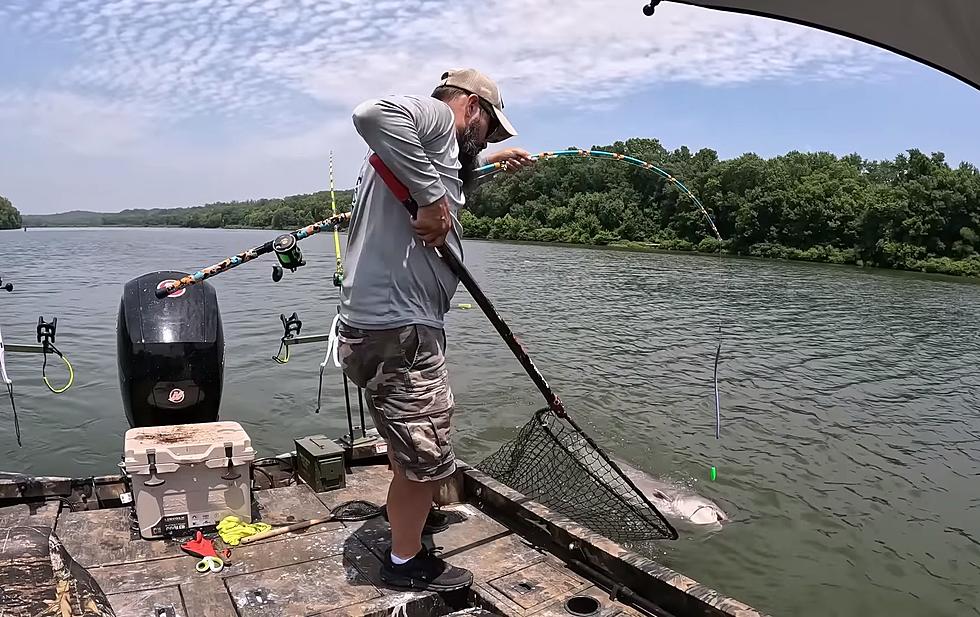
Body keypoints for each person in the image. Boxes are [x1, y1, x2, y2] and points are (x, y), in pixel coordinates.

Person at [336, 68, 533, 591]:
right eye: (490, 129)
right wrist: (430, 199)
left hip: (380, 329)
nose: (488, 138)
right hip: (400, 333)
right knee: (424, 459)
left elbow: (446, 180)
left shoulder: (436, 147)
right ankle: (406, 564)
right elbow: (371, 113)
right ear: (472, 106)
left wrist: (486, 164)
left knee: (410, 447)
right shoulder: (437, 117)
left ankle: (408, 524)